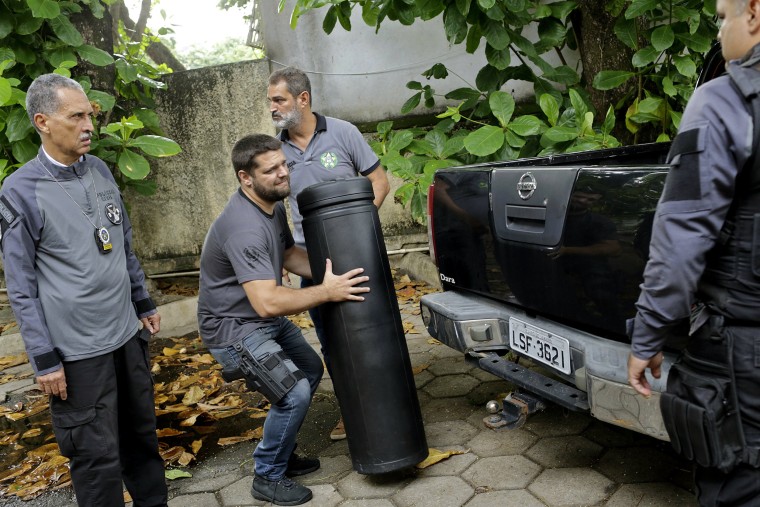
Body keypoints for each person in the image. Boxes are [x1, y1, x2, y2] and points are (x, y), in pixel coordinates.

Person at [0, 74, 167, 506]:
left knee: (142, 440)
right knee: (96, 457)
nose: (88, 125)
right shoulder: (20, 190)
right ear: (42, 121)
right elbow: (20, 285)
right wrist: (44, 359)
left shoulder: (99, 169)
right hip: (76, 354)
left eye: (89, 115)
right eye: (76, 116)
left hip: (126, 337)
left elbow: (122, 242)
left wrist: (142, 300)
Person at [627, 0, 760, 504]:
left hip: (743, 353)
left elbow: (680, 244)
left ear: (753, 12)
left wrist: (647, 336)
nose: (721, 31)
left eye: (723, 17)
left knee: (740, 485)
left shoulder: (725, 102)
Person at [197, 133, 370, 505]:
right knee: (294, 392)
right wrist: (326, 292)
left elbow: (290, 254)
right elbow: (268, 303)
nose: (283, 174)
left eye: (283, 165)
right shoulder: (244, 226)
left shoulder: (271, 206)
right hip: (233, 330)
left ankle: (281, 450)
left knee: (308, 368)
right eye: (270, 169)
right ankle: (267, 475)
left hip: (256, 320)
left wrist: (334, 275)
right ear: (246, 177)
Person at [267, 66, 390, 440]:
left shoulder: (343, 133)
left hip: (358, 253)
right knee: (335, 340)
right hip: (312, 263)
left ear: (303, 99)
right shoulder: (276, 150)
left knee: (376, 333)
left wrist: (360, 229)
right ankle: (351, 408)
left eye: (279, 99)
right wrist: (282, 259)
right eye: (270, 100)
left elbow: (379, 182)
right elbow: (274, 208)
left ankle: (389, 400)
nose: (272, 107)